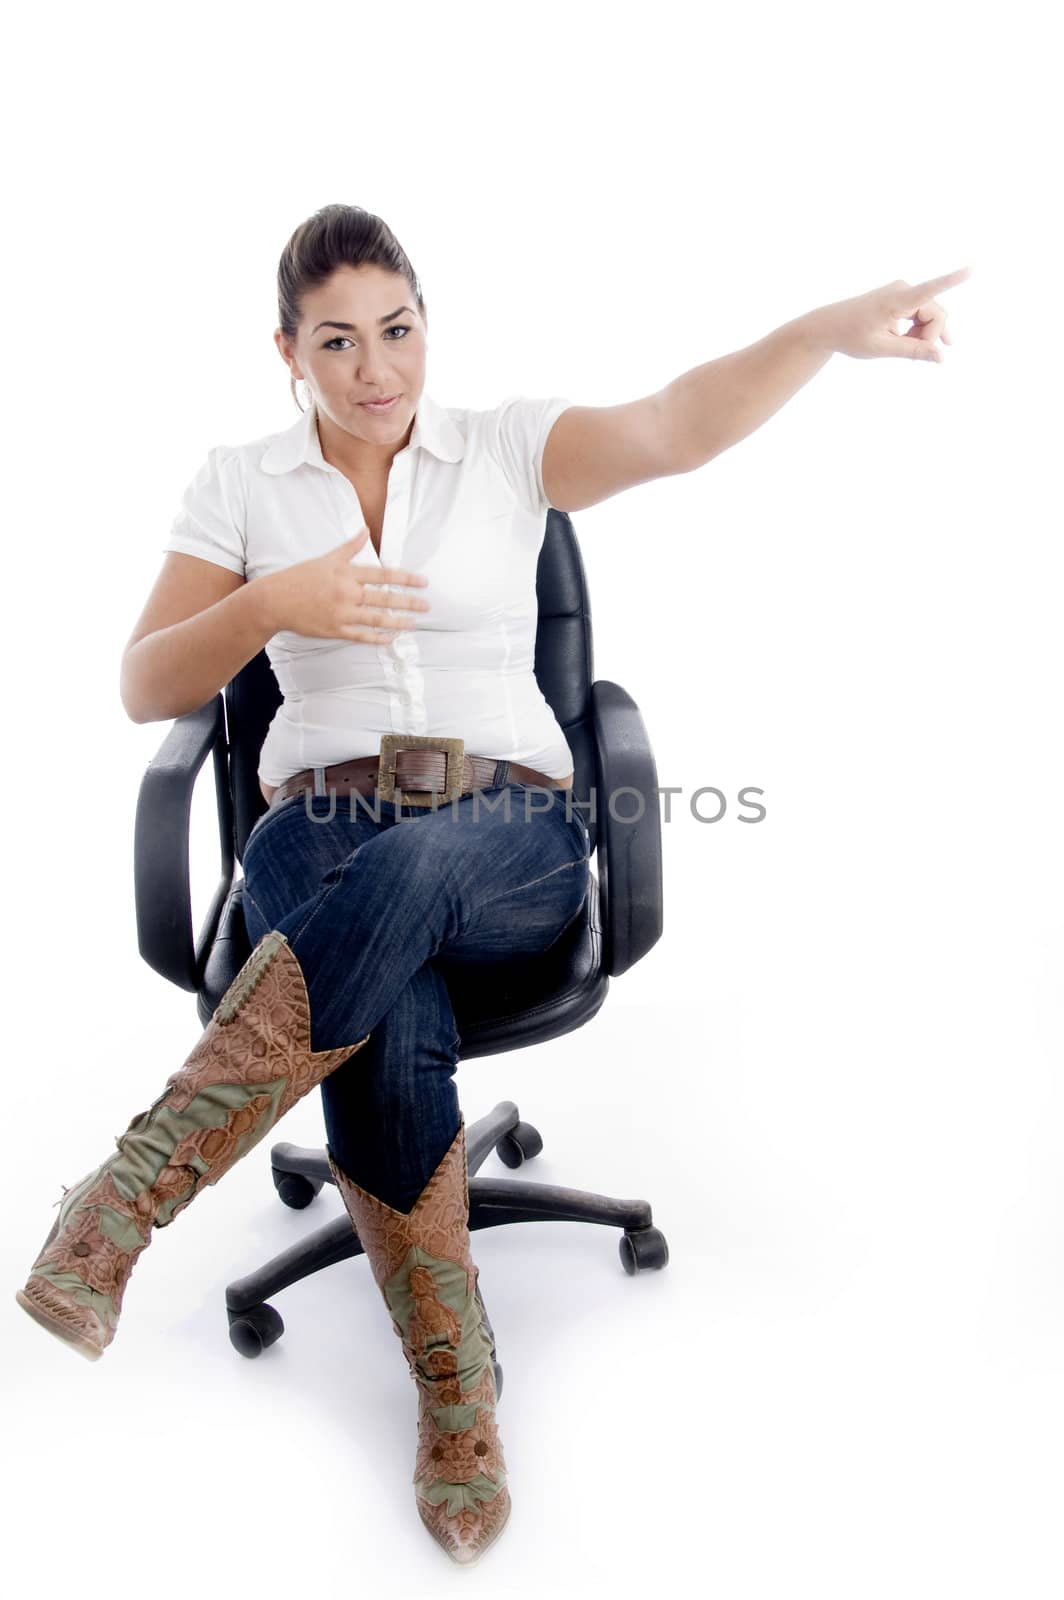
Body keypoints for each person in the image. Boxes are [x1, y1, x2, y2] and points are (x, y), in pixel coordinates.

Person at [16, 201, 970, 1567]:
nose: (376, 368)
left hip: (502, 823)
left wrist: (824, 331)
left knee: (412, 870)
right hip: (315, 825)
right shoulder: (240, 484)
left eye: (397, 329)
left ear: (426, 325)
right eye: (337, 341)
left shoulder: (509, 448)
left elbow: (679, 421)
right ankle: (459, 1396)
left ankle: (129, 1193)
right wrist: (268, 606)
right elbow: (142, 686)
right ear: (286, 350)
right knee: (387, 994)